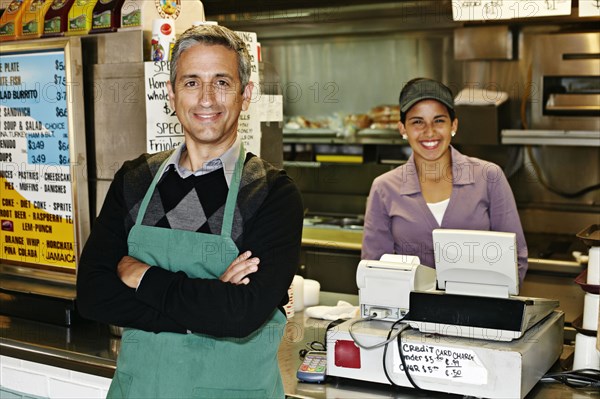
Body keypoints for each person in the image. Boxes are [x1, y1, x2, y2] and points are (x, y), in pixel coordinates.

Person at [76, 24, 303, 398]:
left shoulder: (272, 193)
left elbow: (241, 315)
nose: (207, 99)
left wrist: (144, 277)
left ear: (245, 95)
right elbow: (93, 295)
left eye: (222, 83)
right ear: (171, 93)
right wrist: (209, 301)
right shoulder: (134, 179)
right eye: (192, 82)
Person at [362, 77, 528, 284]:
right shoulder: (384, 188)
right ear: (403, 129)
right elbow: (375, 267)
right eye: (417, 122)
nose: (429, 131)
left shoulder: (488, 176)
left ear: (454, 125)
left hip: (481, 311)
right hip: (410, 313)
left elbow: (516, 259)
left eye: (439, 120)